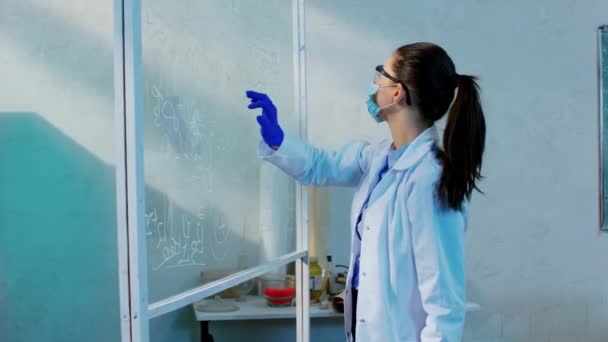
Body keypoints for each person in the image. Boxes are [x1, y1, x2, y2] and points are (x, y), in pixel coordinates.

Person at [245, 42, 486, 342]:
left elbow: (444, 307)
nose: (374, 83)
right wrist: (278, 140)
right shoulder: (379, 156)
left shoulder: (428, 178)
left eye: (381, 73)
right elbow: (323, 166)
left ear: (397, 93)